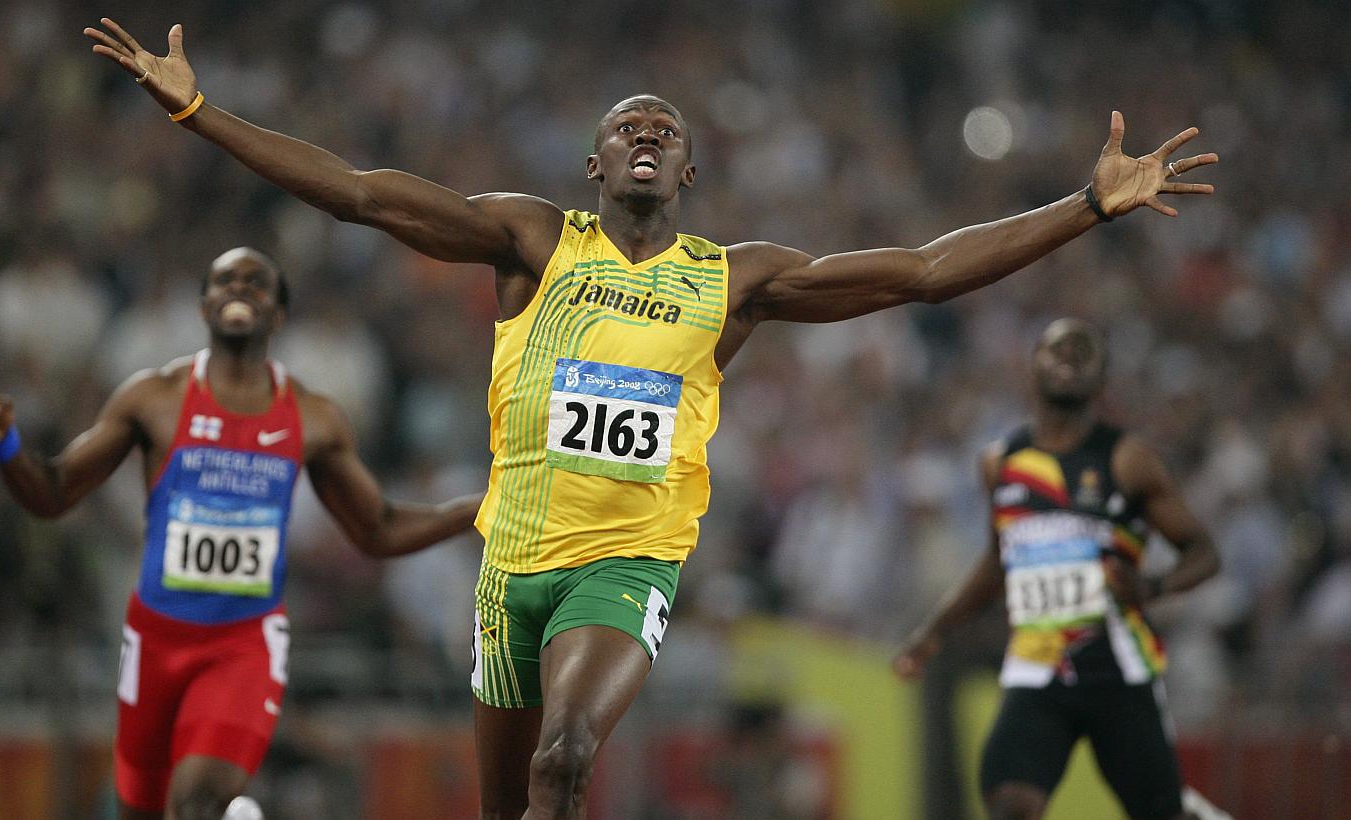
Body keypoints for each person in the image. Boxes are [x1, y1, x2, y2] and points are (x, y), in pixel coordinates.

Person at [83, 20, 1218, 819]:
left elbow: (922, 271)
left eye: (664, 128)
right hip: (509, 568)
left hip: (624, 564)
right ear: (591, 163)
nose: (644, 132)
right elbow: (364, 192)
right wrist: (200, 114)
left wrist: (1082, 207)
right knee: (507, 801)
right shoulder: (532, 240)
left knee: (567, 764)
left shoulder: (732, 278)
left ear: (689, 167)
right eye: (625, 123)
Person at [0, 247, 482, 820]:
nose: (240, 288)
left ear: (279, 315)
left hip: (245, 642)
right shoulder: (154, 399)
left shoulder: (313, 418)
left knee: (200, 799)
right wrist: (3, 445)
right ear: (204, 307)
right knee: (140, 808)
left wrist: (473, 511)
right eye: (225, 280)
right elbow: (53, 492)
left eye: (256, 282)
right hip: (156, 639)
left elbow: (378, 529)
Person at [893, 319, 1221, 820]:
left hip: (1116, 672)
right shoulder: (1000, 463)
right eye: (1057, 349)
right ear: (1033, 367)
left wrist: (1152, 585)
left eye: (1083, 351)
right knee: (1010, 806)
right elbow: (996, 560)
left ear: (1102, 377)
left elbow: (1203, 552)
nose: (1068, 358)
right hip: (1038, 670)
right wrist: (933, 631)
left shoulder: (1128, 460)